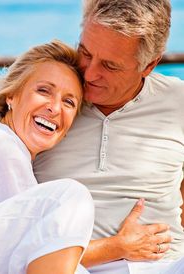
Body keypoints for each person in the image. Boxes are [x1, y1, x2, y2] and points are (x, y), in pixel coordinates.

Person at [33, 1, 184, 273]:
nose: (89, 74)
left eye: (110, 66)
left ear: (149, 65)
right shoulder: (44, 100)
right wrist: (114, 247)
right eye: (85, 53)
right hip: (68, 267)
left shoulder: (178, 102)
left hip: (165, 265)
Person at [0, 40, 95, 274]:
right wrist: (118, 247)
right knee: (68, 196)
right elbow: (37, 240)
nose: (55, 108)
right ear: (12, 96)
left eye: (68, 102)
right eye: (43, 90)